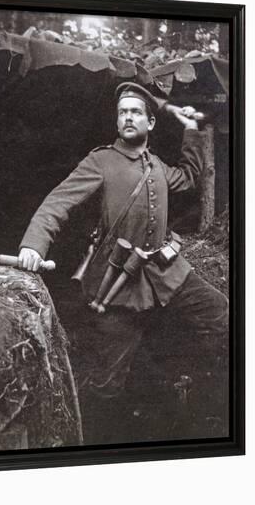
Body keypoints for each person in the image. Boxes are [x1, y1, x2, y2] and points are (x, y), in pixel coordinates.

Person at [18, 82, 229, 443]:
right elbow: (57, 202)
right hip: (116, 283)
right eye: (122, 112)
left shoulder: (158, 166)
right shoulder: (100, 160)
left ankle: (195, 397)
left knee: (220, 315)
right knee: (106, 383)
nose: (127, 117)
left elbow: (190, 177)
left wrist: (191, 129)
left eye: (135, 112)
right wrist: (34, 245)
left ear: (151, 123)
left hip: (167, 272)